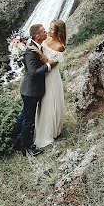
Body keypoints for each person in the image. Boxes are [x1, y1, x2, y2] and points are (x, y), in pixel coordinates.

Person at [18, 24, 58, 157]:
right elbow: (33, 73)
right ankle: (27, 148)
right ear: (37, 36)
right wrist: (48, 65)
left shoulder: (36, 46)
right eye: (43, 31)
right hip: (30, 91)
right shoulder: (30, 52)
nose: (46, 32)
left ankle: (17, 140)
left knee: (24, 116)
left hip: (31, 90)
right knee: (28, 120)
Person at [33, 20, 66, 149]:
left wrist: (40, 53)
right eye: (50, 28)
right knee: (42, 103)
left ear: (59, 31)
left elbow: (51, 65)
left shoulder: (60, 46)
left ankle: (51, 131)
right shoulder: (47, 40)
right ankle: (40, 127)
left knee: (49, 102)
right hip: (42, 75)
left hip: (51, 77)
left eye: (52, 29)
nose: (49, 31)